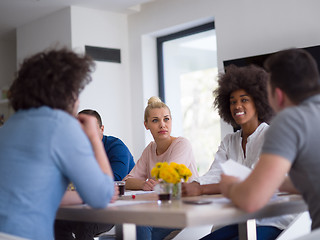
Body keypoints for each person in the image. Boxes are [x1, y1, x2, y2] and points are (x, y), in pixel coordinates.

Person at [0, 48, 116, 240]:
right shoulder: (62, 126)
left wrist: (82, 195)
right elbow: (102, 196)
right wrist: (94, 137)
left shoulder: (9, 126)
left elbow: (33, 193)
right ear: (67, 92)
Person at [186, 64, 295, 240]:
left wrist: (200, 190)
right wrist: (194, 185)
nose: (237, 106)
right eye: (233, 101)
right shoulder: (229, 141)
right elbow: (216, 173)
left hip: (271, 220)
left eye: (244, 100)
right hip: (239, 220)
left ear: (259, 102)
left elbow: (252, 179)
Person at [219, 48, 320, 232]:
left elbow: (251, 201)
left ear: (278, 95)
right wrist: (275, 181)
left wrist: (230, 187)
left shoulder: (290, 120)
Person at [123, 96, 199, 240]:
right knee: (130, 225)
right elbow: (127, 181)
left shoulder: (182, 144)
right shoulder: (150, 149)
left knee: (139, 224)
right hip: (162, 210)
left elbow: (165, 181)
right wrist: (144, 184)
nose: (162, 125)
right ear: (146, 125)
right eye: (155, 120)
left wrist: (152, 184)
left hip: (185, 210)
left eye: (166, 119)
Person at [55, 109, 135, 240]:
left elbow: (112, 181)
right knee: (57, 221)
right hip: (87, 206)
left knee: (86, 224)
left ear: (101, 129)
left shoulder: (116, 147)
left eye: (89, 129)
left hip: (115, 208)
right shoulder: (76, 151)